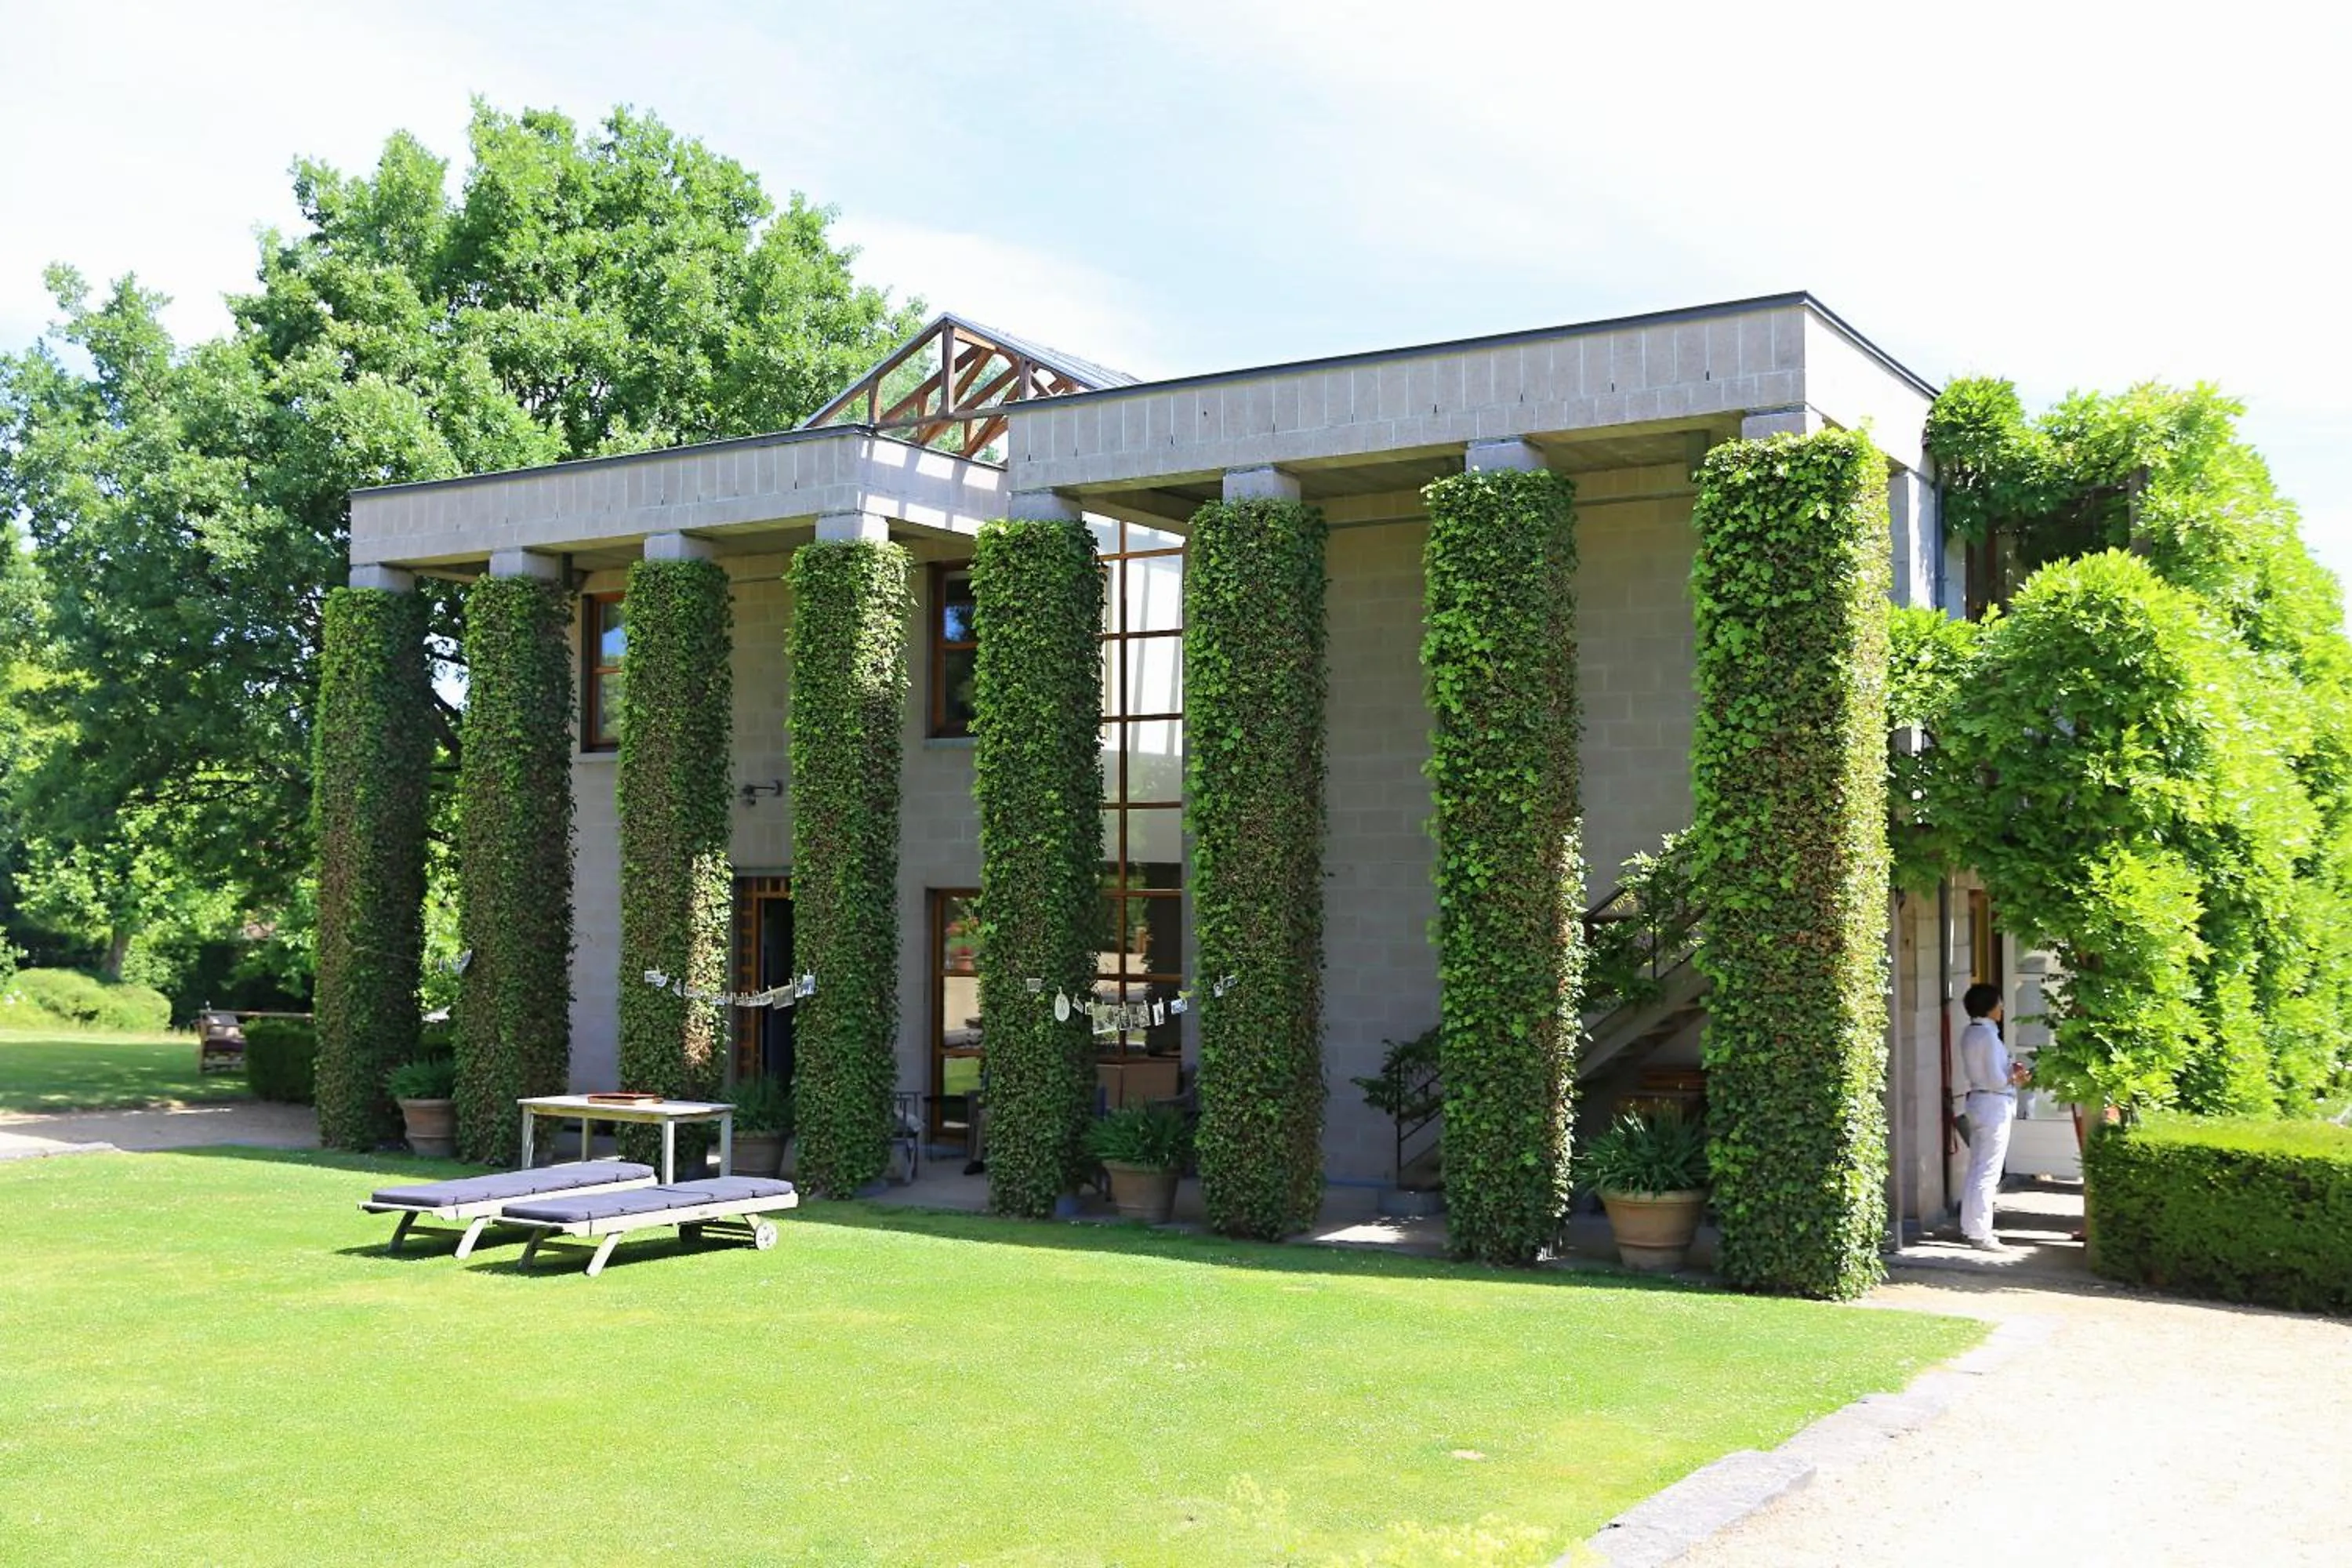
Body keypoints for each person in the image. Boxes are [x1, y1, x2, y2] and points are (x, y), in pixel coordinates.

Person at [1957, 982, 2029, 1250]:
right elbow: (1998, 1080)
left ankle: (1970, 1226)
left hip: (1977, 1101)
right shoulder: (1988, 1037)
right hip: (1993, 1104)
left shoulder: (1970, 1033)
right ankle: (1980, 1233)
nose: (2002, 1008)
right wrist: (2015, 1076)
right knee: (1989, 1171)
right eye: (1999, 1003)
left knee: (1977, 1168)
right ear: (1989, 1007)